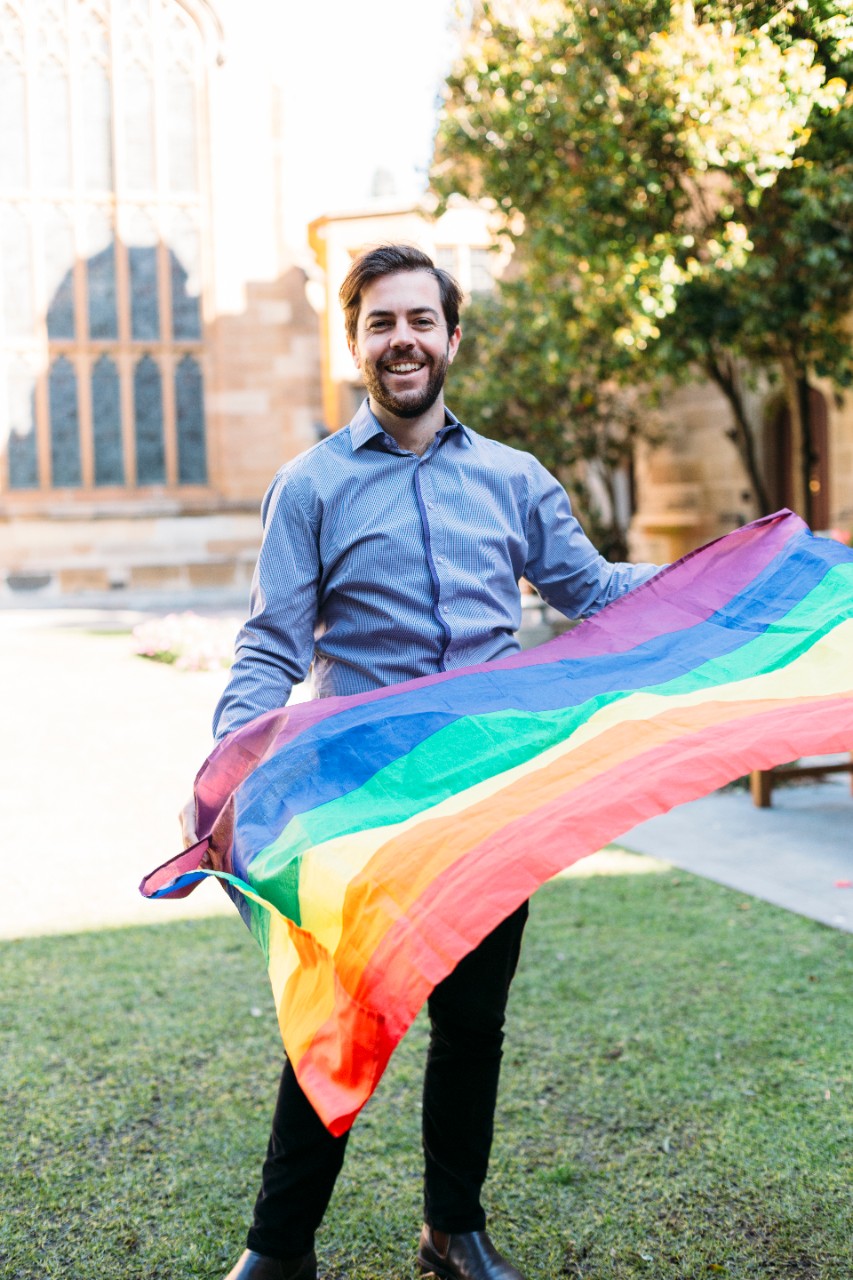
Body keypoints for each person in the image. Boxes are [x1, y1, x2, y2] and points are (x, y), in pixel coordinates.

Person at [184, 244, 659, 1280]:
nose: (401, 339)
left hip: (490, 797)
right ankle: (277, 1249)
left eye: (419, 320)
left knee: (472, 1022)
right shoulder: (307, 487)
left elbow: (592, 590)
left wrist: (726, 572)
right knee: (339, 1017)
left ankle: (454, 1227)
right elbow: (271, 642)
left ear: (450, 336)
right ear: (354, 341)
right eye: (379, 323)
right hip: (365, 806)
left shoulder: (514, 479)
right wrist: (230, 759)